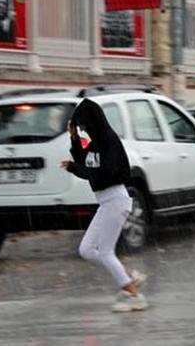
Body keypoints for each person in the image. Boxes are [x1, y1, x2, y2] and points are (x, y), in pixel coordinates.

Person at [60, 99, 148, 313]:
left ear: (92, 121)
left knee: (103, 251)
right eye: (81, 127)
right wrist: (74, 142)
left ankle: (133, 294)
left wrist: (82, 168)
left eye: (84, 126)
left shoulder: (109, 140)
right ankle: (129, 276)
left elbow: (104, 171)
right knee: (88, 250)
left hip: (116, 200)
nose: (83, 130)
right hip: (107, 202)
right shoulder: (95, 143)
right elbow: (87, 164)